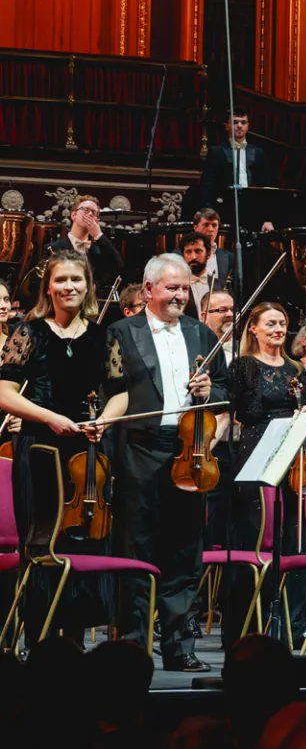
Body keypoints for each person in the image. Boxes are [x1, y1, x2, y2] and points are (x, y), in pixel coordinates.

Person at [97, 252, 227, 670]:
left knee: (184, 552)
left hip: (190, 450)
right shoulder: (120, 332)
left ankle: (179, 648)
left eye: (185, 288)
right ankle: (132, 648)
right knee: (136, 549)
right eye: (172, 287)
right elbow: (108, 391)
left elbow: (224, 391)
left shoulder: (201, 334)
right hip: (139, 448)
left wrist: (210, 391)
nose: (180, 295)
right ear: (149, 289)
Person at [0, 252, 109, 633]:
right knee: (41, 538)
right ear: (49, 287)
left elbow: (120, 391)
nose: (69, 287)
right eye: (61, 280)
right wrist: (49, 417)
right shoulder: (30, 331)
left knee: (81, 540)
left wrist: (103, 421)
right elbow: (4, 392)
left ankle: (75, 638)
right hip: (40, 448)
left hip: (85, 451)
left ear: (87, 286)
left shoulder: (101, 334)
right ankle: (36, 636)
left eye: (76, 280)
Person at [223, 302, 301, 646]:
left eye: (282, 323)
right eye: (270, 323)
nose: (278, 329)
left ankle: (279, 632)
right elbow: (241, 410)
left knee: (285, 538)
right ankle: (242, 632)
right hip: (255, 452)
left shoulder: (296, 368)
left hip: (291, 456)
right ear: (252, 328)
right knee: (252, 538)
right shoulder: (243, 366)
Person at [42, 194, 124, 303]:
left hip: (94, 309)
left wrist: (98, 235)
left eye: (94, 213)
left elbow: (119, 268)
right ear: (73, 215)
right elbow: (37, 285)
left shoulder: (100, 251)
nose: (90, 214)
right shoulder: (53, 249)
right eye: (86, 210)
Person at [198, 110, 275, 219]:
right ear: (226, 126)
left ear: (248, 126)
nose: (239, 126)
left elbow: (266, 187)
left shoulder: (258, 153)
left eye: (243, 122)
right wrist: (208, 213)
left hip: (252, 209)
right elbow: (207, 185)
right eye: (235, 122)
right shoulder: (216, 152)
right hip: (224, 208)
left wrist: (267, 219)